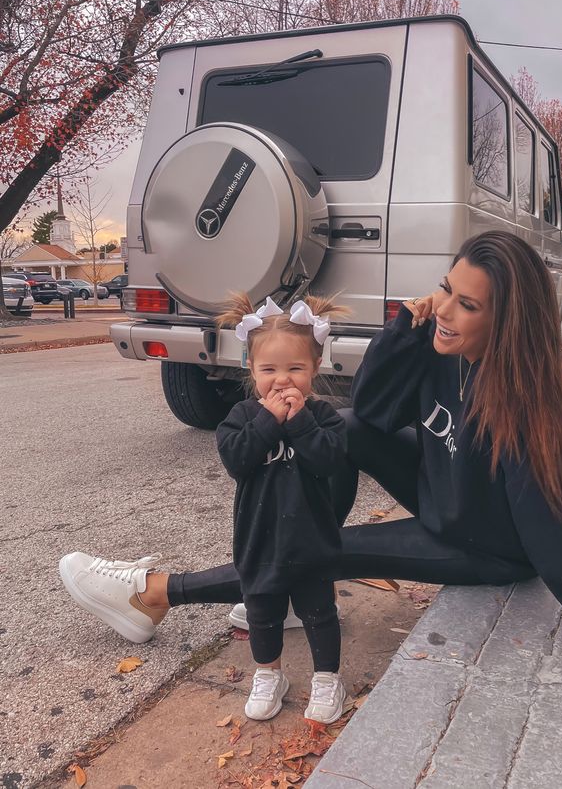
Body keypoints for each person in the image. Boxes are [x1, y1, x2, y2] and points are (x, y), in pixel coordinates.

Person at [59, 233, 562, 669]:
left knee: (314, 551)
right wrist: (408, 326)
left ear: (505, 320)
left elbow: (553, 529)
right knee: (341, 425)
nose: (448, 311)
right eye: (447, 289)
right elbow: (372, 411)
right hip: (447, 493)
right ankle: (292, 572)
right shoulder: (445, 350)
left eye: (467, 304)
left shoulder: (518, 408)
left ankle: (153, 595)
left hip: (482, 546)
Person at [61, 294, 350, 724]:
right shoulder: (242, 416)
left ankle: (328, 678)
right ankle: (269, 674)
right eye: (269, 370)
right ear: (251, 371)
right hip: (258, 541)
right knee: (263, 613)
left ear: (315, 368)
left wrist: (300, 422)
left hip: (313, 541)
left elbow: (328, 460)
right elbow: (237, 460)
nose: (282, 381)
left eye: (295, 369)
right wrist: (269, 421)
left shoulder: (324, 416)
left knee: (319, 612)